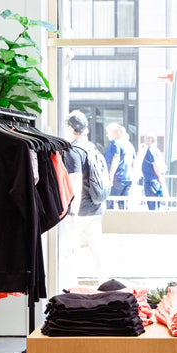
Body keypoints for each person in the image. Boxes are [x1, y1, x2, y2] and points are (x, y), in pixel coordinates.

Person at [62, 110, 104, 282]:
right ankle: (104, 284)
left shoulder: (74, 151)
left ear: (71, 128)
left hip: (81, 210)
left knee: (69, 249)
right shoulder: (91, 147)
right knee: (97, 251)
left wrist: (72, 212)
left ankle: (68, 286)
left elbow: (75, 182)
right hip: (96, 207)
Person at [103, 122, 135, 209]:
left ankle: (111, 222)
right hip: (128, 178)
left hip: (117, 177)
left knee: (111, 203)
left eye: (109, 132)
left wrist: (111, 177)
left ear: (116, 132)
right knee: (124, 206)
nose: (107, 135)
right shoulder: (129, 144)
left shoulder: (115, 143)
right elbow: (133, 161)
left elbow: (115, 158)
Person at [139, 135, 165, 210]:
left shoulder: (151, 150)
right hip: (154, 180)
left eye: (146, 138)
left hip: (151, 181)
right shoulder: (156, 150)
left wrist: (159, 177)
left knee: (152, 205)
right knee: (155, 204)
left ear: (150, 139)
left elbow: (155, 165)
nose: (144, 139)